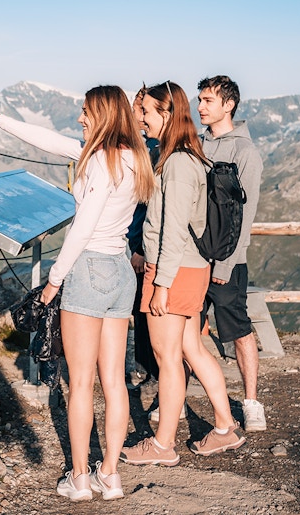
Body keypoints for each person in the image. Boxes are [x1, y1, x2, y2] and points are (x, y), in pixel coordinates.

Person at [0, 86, 155, 501]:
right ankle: (109, 475)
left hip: (88, 268)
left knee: (80, 383)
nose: (80, 118)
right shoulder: (134, 158)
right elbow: (55, 143)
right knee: (114, 381)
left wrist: (54, 279)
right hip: (119, 272)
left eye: (86, 112)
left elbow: (83, 226)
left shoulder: (97, 162)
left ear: (103, 116)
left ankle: (78, 477)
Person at [120, 80, 246, 465]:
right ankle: (225, 427)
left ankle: (162, 444)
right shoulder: (189, 156)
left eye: (146, 112)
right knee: (191, 348)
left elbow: (172, 229)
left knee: (167, 355)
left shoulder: (175, 163)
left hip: (171, 270)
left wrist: (160, 285)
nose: (139, 118)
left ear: (166, 114)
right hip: (191, 268)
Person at [197, 75, 266, 432]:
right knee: (187, 329)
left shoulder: (245, 152)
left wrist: (225, 262)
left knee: (238, 330)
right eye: (200, 100)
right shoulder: (196, 145)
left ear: (229, 104)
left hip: (226, 261)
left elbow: (246, 212)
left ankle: (252, 402)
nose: (201, 107)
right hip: (194, 259)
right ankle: (174, 396)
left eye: (208, 100)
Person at [126, 85, 160, 387]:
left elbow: (146, 207)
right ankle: (147, 369)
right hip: (141, 243)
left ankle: (150, 371)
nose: (137, 115)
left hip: (143, 246)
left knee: (144, 309)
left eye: (140, 110)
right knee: (141, 308)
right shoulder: (146, 147)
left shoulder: (152, 150)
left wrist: (138, 248)